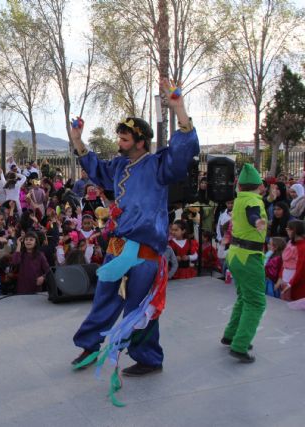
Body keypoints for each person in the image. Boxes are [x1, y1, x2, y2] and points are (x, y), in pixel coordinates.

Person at [69, 79, 199, 377]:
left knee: (140, 308)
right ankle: (90, 345)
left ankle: (149, 357)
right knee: (104, 298)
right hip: (117, 247)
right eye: (120, 139)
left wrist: (179, 108)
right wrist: (78, 140)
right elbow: (96, 170)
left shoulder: (158, 165)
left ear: (140, 141)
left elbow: (183, 152)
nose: (119, 143)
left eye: (125, 139)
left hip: (145, 251)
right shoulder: (118, 165)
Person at [221, 164, 267, 363]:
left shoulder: (240, 199)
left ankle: (231, 335)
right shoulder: (251, 200)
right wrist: (257, 222)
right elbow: (253, 214)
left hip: (236, 255)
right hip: (249, 257)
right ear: (259, 185)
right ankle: (240, 345)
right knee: (256, 302)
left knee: (243, 298)